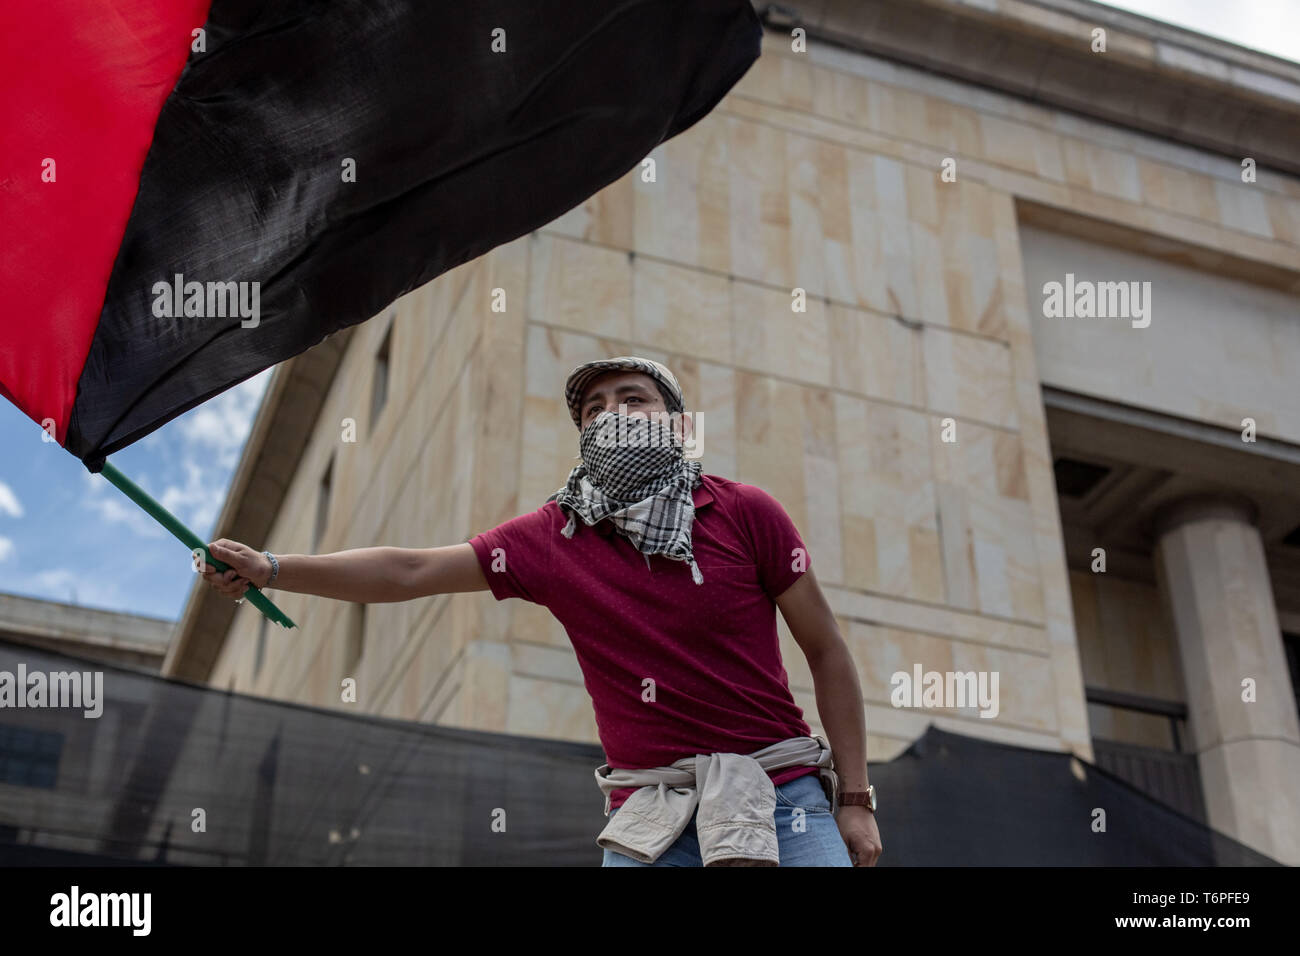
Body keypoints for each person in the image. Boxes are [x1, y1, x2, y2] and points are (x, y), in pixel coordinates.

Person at [201, 356, 882, 867]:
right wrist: (275, 569)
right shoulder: (552, 538)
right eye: (593, 409)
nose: (611, 413)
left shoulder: (745, 512)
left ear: (676, 424)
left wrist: (853, 800)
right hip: (651, 817)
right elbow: (409, 570)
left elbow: (826, 651)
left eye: (634, 400)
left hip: (784, 794)